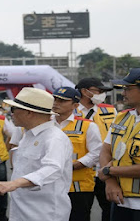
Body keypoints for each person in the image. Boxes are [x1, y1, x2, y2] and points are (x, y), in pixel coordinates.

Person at [0, 87, 72, 221]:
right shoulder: (27, 134)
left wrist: (14, 184)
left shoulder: (54, 138)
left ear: (29, 113)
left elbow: (53, 169)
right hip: (22, 210)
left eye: (14, 109)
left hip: (44, 213)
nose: (10, 114)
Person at [52, 87, 103, 221]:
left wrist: (76, 165)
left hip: (78, 188)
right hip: (50, 186)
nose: (56, 103)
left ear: (75, 105)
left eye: (62, 101)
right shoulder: (45, 124)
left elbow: (97, 152)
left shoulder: (87, 126)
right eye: (55, 99)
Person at [98, 68, 140, 221]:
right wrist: (110, 182)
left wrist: (109, 171)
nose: (123, 93)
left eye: (128, 89)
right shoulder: (122, 117)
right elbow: (106, 150)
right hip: (121, 202)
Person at [75, 77, 116, 221]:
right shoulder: (70, 111)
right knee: (80, 211)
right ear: (84, 92)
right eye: (97, 91)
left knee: (109, 209)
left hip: (104, 169)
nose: (101, 94)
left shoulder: (110, 110)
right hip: (80, 171)